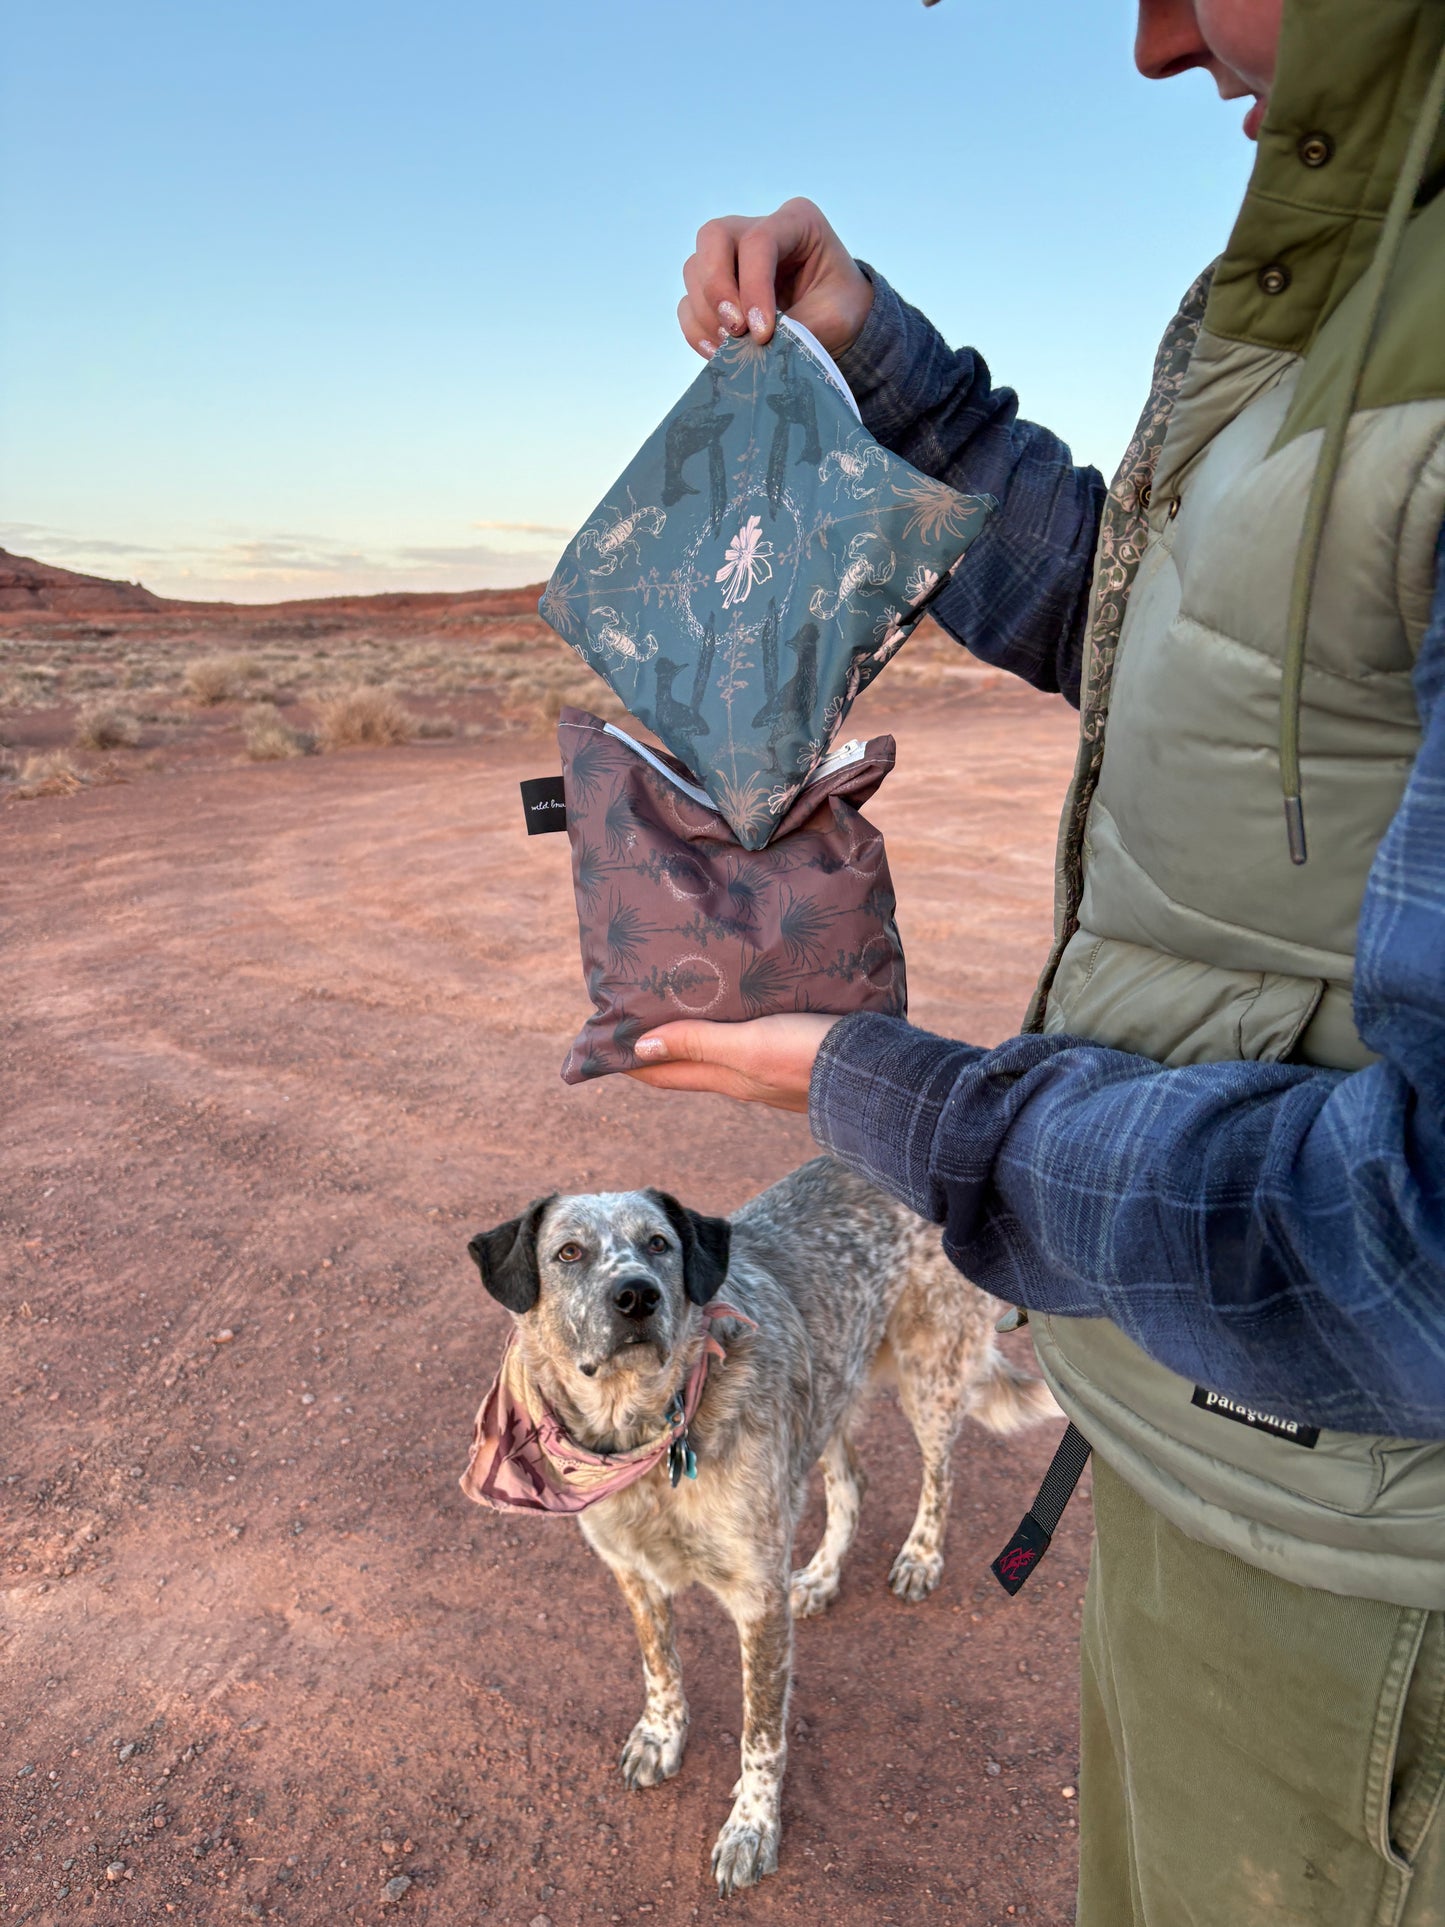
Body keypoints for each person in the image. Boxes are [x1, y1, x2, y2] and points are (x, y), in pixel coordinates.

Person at [626, 1, 1445, 1920]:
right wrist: (876, 357)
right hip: (1224, 1460)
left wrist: (900, 1106)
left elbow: (1420, 1244)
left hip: (1375, 1580)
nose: (1153, 43)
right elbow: (1155, 626)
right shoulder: (1358, 266)